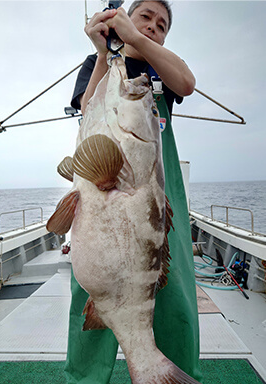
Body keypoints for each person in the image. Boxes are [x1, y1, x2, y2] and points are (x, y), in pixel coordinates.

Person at [65, 1, 203, 383]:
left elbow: (186, 83)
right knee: (91, 291)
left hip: (158, 194)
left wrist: (133, 37)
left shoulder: (161, 65)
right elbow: (87, 111)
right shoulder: (97, 66)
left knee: (173, 289)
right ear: (124, 15)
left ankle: (173, 369)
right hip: (101, 199)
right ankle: (86, 377)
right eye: (146, 16)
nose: (154, 27)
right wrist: (101, 54)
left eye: (163, 25)